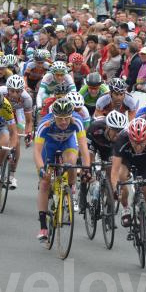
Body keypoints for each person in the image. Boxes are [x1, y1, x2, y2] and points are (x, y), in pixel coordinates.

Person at [33, 98, 90, 240]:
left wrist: (86, 168)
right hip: (49, 147)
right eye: (60, 119)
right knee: (45, 183)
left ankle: (70, 190)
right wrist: (41, 170)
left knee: (71, 162)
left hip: (67, 144)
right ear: (54, 117)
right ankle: (43, 227)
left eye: (66, 118)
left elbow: (83, 147)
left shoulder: (77, 121)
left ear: (71, 116)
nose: (64, 122)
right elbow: (36, 152)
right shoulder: (45, 123)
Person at [110, 117, 146, 260]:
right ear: (130, 137)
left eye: (142, 142)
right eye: (135, 142)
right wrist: (115, 189)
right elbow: (115, 170)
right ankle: (126, 208)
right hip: (127, 161)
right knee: (122, 177)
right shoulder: (122, 139)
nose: (138, 146)